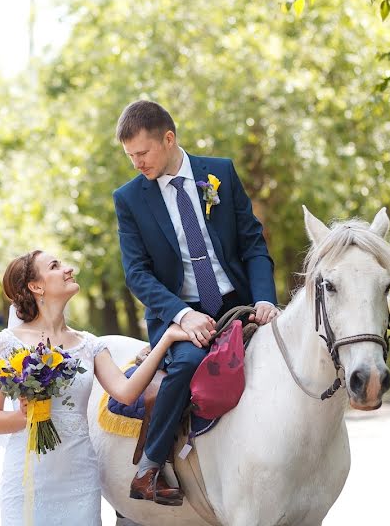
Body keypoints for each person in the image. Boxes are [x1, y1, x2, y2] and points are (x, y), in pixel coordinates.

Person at [112, 100, 280, 505]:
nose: (136, 163)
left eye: (142, 153)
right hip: (179, 313)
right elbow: (137, 273)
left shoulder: (219, 173)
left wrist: (265, 300)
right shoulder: (130, 199)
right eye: (129, 156)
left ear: (168, 139)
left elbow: (253, 243)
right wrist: (183, 315)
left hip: (237, 302)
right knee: (187, 363)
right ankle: (149, 467)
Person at [0, 250, 190, 525]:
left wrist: (166, 339)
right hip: (28, 479)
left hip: (79, 478)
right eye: (56, 266)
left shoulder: (89, 344)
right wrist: (25, 416)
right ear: (36, 286)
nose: (68, 269)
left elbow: (126, 392)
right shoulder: (7, 343)